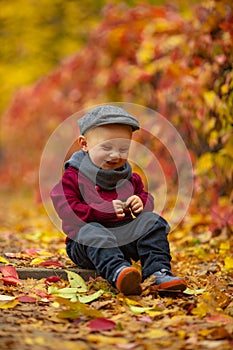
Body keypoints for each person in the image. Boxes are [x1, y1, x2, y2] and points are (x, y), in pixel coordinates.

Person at [50, 105, 187, 295]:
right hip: (85, 243)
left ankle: (158, 273)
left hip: (123, 237)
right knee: (93, 230)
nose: (115, 155)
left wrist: (141, 202)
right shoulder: (73, 177)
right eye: (106, 147)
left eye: (123, 148)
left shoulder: (128, 177)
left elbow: (144, 197)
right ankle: (119, 273)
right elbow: (68, 211)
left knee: (152, 222)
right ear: (84, 144)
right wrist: (102, 210)